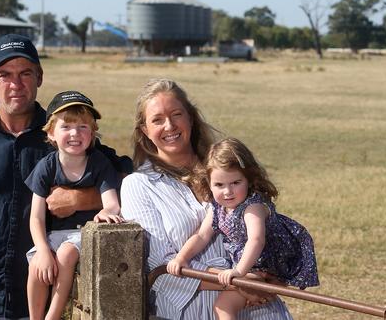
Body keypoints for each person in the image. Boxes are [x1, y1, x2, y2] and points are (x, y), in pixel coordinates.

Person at [0, 34, 131, 320]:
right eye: (4, 75)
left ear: (40, 77)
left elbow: (127, 177)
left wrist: (82, 198)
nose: (15, 84)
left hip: (32, 303)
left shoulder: (63, 134)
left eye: (25, 73)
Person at [120, 78, 294, 320]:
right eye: (157, 120)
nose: (169, 126)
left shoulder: (226, 168)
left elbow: (267, 227)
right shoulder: (138, 185)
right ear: (145, 131)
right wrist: (238, 283)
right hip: (192, 310)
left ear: (190, 118)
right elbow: (161, 264)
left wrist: (272, 274)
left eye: (176, 114)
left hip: (259, 308)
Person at [167, 137, 319, 320]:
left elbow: (257, 240)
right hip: (249, 267)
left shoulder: (252, 207)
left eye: (235, 183)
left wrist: (239, 272)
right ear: (208, 182)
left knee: (223, 306)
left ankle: (254, 283)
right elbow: (201, 235)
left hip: (264, 264)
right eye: (219, 185)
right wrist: (181, 258)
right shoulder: (216, 207)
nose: (227, 192)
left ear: (248, 178)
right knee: (228, 304)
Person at [25, 90, 124, 320]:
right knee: (36, 266)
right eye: (66, 127)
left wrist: (107, 212)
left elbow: (112, 203)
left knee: (66, 255)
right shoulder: (46, 167)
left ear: (92, 133)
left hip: (83, 234)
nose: (75, 133)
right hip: (52, 235)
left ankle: (53, 316)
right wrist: (41, 249)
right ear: (51, 132)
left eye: (83, 127)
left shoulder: (99, 163)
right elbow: (36, 217)